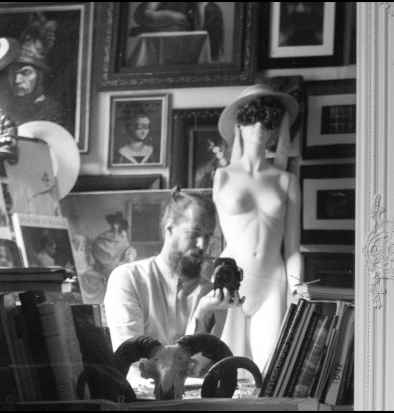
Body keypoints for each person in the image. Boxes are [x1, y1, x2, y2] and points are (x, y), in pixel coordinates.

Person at [104, 188, 242, 387]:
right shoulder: (127, 278)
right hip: (139, 398)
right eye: (194, 234)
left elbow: (197, 368)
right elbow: (131, 358)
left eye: (208, 236)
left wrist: (203, 313)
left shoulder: (210, 294)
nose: (202, 244)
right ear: (169, 228)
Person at [213, 84, 303, 371]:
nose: (260, 127)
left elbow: (293, 248)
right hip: (231, 283)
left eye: (267, 120)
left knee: (272, 372)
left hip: (273, 283)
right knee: (227, 372)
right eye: (252, 118)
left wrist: (297, 290)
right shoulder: (223, 177)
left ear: (276, 127)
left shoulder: (286, 181)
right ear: (239, 124)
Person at [7, 13, 68, 128]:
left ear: (40, 77)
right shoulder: (8, 108)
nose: (17, 80)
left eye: (26, 72)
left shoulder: (51, 111)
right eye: (14, 73)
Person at [128, 2, 224, 63]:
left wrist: (142, 29)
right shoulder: (184, 18)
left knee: (180, 26)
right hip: (148, 14)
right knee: (183, 23)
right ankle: (143, 29)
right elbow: (199, 26)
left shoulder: (183, 21)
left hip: (152, 17)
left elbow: (198, 26)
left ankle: (143, 29)